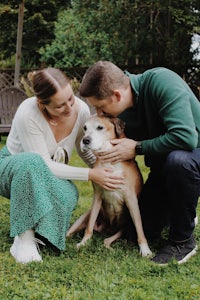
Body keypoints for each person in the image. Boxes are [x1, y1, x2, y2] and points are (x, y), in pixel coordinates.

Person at [79, 60, 200, 265]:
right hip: (164, 170)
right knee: (138, 232)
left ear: (117, 95)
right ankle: (178, 210)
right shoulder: (120, 112)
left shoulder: (162, 82)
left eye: (100, 107)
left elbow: (186, 137)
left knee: (178, 161)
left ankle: (183, 240)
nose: (99, 114)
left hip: (191, 156)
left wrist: (137, 147)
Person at [0, 67, 124, 264]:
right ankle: (23, 237)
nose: (68, 108)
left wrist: (107, 170)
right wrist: (92, 174)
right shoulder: (28, 113)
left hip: (46, 172)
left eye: (71, 99)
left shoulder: (81, 110)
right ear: (42, 103)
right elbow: (44, 165)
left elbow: (84, 150)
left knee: (69, 192)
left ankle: (43, 233)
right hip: (12, 169)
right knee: (32, 162)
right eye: (59, 106)